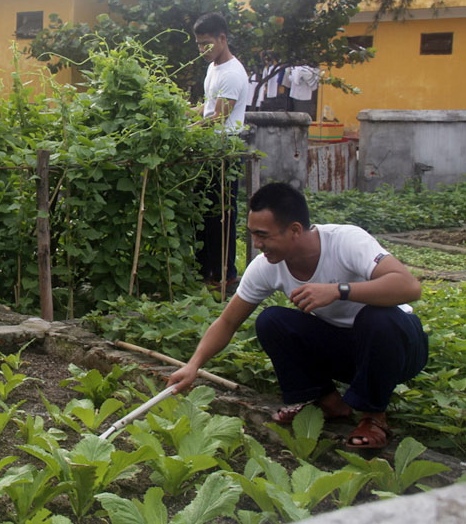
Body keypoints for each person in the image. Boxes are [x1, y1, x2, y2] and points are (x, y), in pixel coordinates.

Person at [167, 182, 428, 450]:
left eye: (263, 235)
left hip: (397, 348)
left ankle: (374, 417)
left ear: (294, 230)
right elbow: (228, 321)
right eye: (252, 235)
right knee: (272, 321)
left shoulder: (347, 241)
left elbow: (409, 287)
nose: (256, 245)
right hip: (349, 352)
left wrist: (339, 291)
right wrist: (193, 365)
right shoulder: (267, 266)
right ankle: (328, 404)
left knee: (377, 318)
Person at [192, 12, 248, 290]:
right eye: (199, 44)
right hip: (208, 151)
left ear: (222, 39)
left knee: (222, 216)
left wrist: (187, 130)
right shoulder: (213, 68)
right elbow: (207, 109)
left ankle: (225, 275)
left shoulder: (233, 73)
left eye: (207, 44)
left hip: (225, 152)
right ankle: (206, 273)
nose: (202, 50)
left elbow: (218, 118)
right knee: (204, 215)